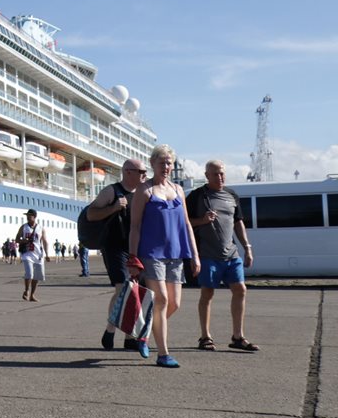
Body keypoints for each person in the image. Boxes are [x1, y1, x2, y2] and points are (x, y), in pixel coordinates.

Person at [128, 144, 201, 368]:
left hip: (176, 253)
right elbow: (135, 226)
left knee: (175, 303)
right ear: (152, 164)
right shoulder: (145, 191)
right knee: (161, 299)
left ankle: (145, 332)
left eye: (169, 163)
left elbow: (187, 224)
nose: (166, 167)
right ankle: (163, 354)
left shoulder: (178, 190)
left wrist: (195, 255)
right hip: (151, 254)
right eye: (162, 163)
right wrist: (133, 258)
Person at [188, 160, 259, 352]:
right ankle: (205, 337)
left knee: (240, 290)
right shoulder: (197, 196)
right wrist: (201, 220)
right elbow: (184, 223)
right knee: (207, 293)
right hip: (207, 254)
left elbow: (238, 223)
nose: (220, 177)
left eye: (222, 173)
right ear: (207, 176)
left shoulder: (231, 195)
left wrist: (247, 247)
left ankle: (238, 337)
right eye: (215, 174)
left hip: (231, 253)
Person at [88, 159, 147, 351]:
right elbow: (91, 214)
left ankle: (130, 336)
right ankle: (110, 330)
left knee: (136, 291)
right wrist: (113, 207)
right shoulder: (111, 191)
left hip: (136, 247)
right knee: (122, 289)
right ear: (128, 172)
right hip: (114, 246)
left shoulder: (144, 193)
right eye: (141, 171)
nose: (145, 175)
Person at [16, 209, 49, 301]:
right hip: (27, 254)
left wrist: (47, 254)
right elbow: (17, 239)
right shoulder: (23, 227)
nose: (27, 217)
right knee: (29, 273)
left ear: (34, 217)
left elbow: (45, 241)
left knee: (38, 276)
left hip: (38, 255)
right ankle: (26, 290)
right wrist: (24, 241)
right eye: (27, 215)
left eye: (29, 215)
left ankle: (32, 295)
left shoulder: (41, 228)